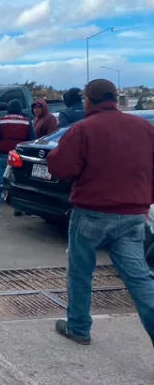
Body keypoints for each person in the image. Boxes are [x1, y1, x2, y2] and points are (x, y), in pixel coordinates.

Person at [47, 79, 154, 347]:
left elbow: (60, 167)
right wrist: (144, 204)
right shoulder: (144, 127)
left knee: (81, 272)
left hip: (91, 213)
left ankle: (79, 327)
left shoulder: (83, 129)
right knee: (140, 278)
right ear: (115, 99)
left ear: (88, 101)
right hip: (132, 215)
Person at [0, 99, 35, 214]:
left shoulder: (2, 120)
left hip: (3, 154)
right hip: (19, 156)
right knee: (18, 182)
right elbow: (32, 140)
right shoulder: (27, 121)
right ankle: (18, 209)